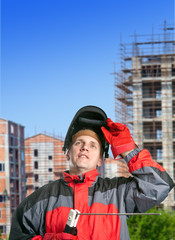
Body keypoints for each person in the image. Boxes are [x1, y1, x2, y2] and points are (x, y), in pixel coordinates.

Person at [9, 105, 174, 240]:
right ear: (67, 152)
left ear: (100, 160)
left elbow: (159, 185)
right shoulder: (40, 199)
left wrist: (128, 150)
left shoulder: (119, 193)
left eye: (93, 145)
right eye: (79, 142)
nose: (85, 147)